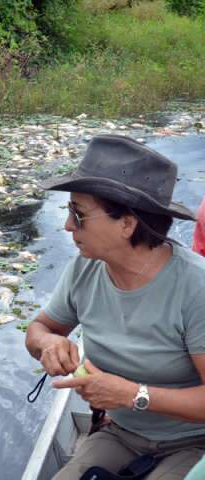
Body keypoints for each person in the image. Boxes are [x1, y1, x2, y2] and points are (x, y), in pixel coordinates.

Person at [24, 135, 205, 479]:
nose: (67, 226)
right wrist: (47, 343)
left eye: (79, 214)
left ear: (127, 224)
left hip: (194, 441)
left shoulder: (196, 288)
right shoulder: (84, 268)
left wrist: (133, 395)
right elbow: (38, 329)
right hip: (122, 434)